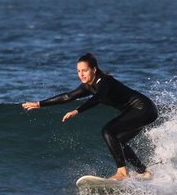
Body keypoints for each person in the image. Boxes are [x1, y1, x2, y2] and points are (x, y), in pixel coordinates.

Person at [23, 53, 159, 180]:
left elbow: (97, 98)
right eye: (78, 71)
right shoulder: (88, 86)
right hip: (139, 111)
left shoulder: (105, 81)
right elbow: (68, 96)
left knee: (108, 131)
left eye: (84, 70)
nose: (81, 74)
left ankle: (122, 172)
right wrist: (40, 104)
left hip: (144, 109)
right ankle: (143, 172)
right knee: (118, 140)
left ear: (94, 69)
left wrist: (77, 110)